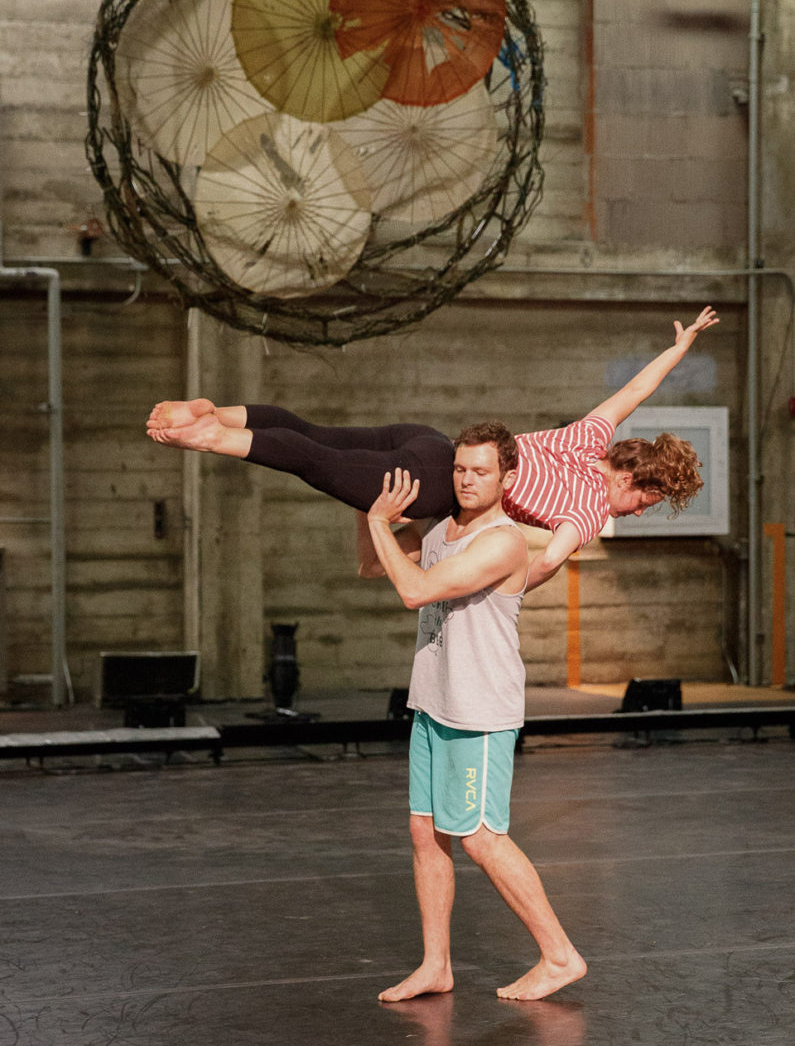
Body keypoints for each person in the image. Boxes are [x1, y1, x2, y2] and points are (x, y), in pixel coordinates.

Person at [146, 306, 718, 587]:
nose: (639, 511)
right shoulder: (592, 508)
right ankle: (211, 435)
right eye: (647, 501)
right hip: (435, 484)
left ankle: (218, 409)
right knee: (316, 462)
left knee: (315, 433)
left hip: (429, 442)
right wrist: (509, 590)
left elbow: (634, 391)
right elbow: (546, 560)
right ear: (632, 481)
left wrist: (680, 346)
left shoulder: (590, 436)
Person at [355, 421, 586, 1002]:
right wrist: (361, 506)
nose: (466, 480)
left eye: (481, 471)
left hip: (479, 710)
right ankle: (436, 965)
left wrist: (382, 524)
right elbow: (376, 567)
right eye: (460, 469)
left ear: (506, 477)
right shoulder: (443, 530)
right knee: (425, 831)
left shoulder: (503, 541)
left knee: (481, 838)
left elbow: (414, 592)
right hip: (434, 700)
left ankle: (560, 956)